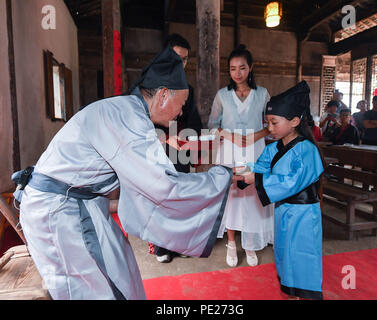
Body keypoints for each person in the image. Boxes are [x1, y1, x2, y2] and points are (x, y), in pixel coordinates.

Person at [11, 46, 233, 300]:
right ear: (162, 95)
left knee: (122, 268)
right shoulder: (129, 117)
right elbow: (164, 186)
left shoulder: (127, 111)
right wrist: (221, 177)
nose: (181, 112)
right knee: (100, 291)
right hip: (60, 212)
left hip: (77, 205)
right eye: (181, 104)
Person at [234, 80, 324, 300]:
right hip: (283, 210)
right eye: (268, 123)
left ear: (294, 121)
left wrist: (256, 178)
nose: (270, 128)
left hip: (303, 214)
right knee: (284, 255)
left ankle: (305, 295)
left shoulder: (307, 149)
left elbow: (292, 181)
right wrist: (241, 171)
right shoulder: (274, 147)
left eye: (274, 123)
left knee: (302, 257)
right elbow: (261, 167)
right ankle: (290, 294)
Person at [208, 44, 274, 268]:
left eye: (242, 68)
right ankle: (231, 242)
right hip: (230, 149)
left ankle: (251, 244)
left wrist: (259, 134)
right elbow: (212, 125)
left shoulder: (262, 94)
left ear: (251, 68)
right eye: (233, 69)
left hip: (255, 150)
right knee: (233, 195)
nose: (237, 73)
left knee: (253, 195)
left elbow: (274, 124)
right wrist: (230, 135)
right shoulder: (222, 95)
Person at [150, 34, 203, 263]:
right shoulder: (151, 84)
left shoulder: (187, 89)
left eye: (185, 59)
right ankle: (161, 245)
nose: (181, 63)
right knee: (160, 198)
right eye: (176, 57)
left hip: (179, 148)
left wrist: (187, 142)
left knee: (181, 198)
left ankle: (179, 243)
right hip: (157, 148)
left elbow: (194, 122)